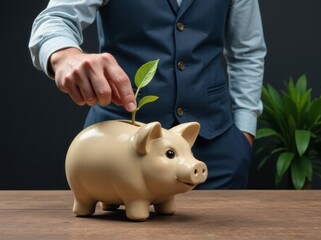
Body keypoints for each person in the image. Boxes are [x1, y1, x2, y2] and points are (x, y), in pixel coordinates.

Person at [29, 0, 266, 189]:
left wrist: (244, 135)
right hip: (118, 155)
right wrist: (65, 55)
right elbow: (56, 18)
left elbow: (248, 52)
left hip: (216, 152)